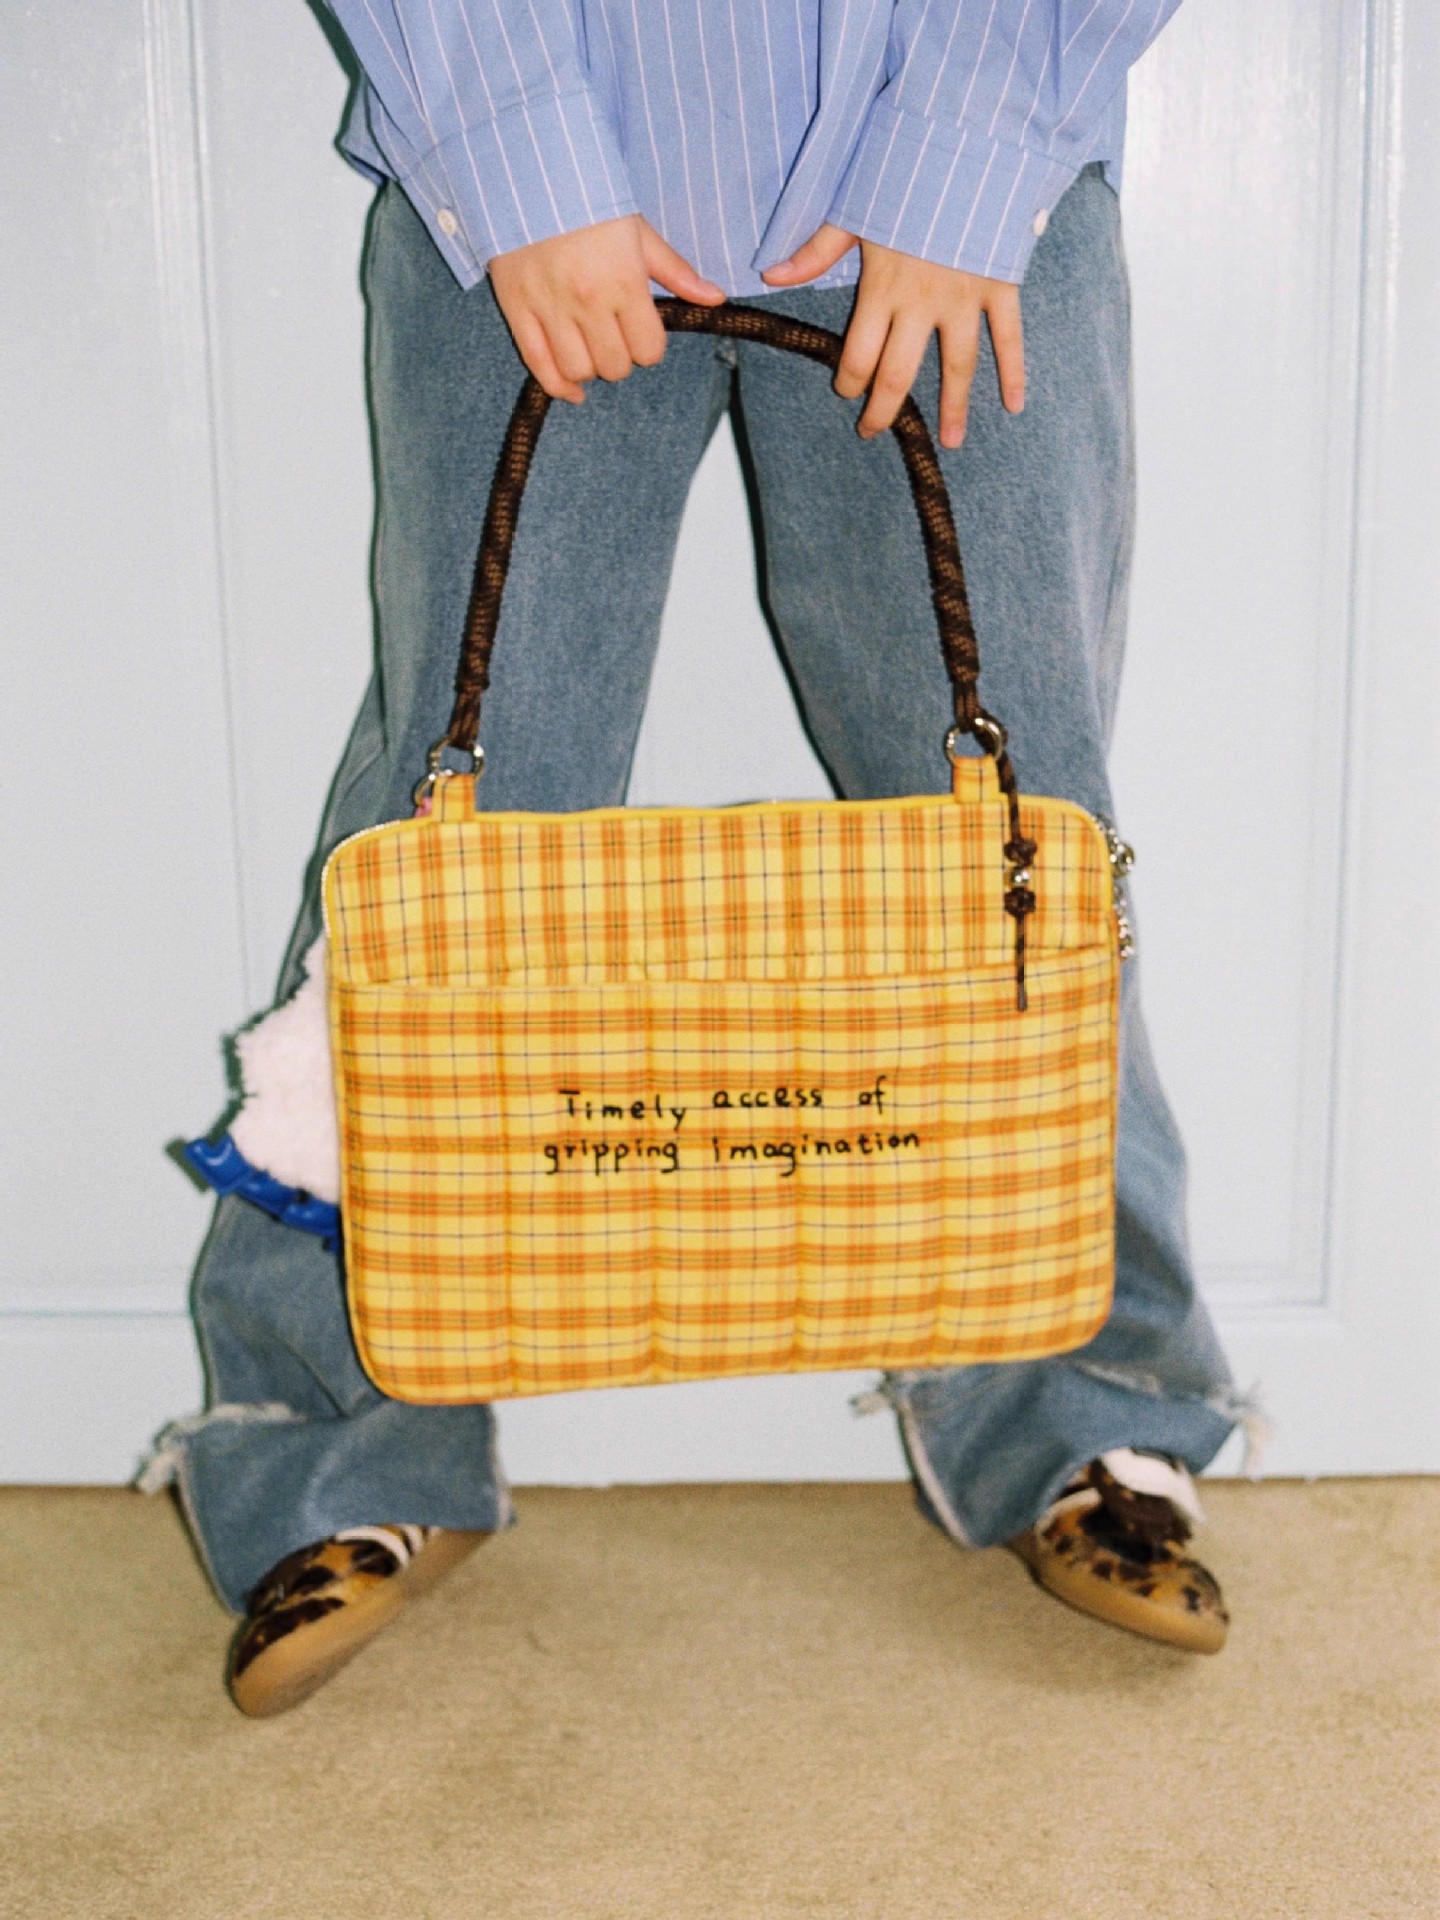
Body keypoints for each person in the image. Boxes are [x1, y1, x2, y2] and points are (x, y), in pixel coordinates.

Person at [146, 1, 1251, 1716]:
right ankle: (335, 1440)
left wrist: (968, 144)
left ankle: (1082, 1413)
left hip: (962, 173)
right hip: (525, 179)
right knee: (453, 834)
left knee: (1018, 850)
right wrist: (509, 146)